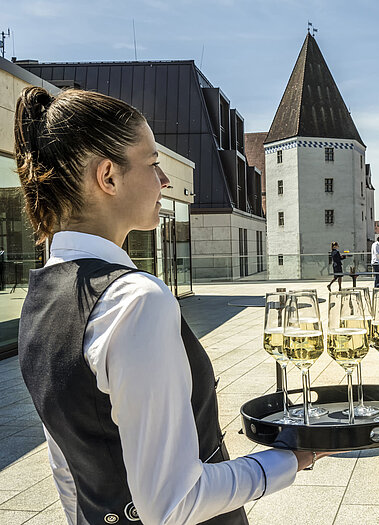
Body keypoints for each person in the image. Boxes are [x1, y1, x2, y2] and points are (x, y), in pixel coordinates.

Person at [14, 87, 325, 525]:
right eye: (153, 163)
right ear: (108, 177)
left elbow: (67, 470)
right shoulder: (137, 299)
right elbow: (174, 502)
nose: (163, 181)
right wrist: (291, 460)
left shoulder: (41, 295)